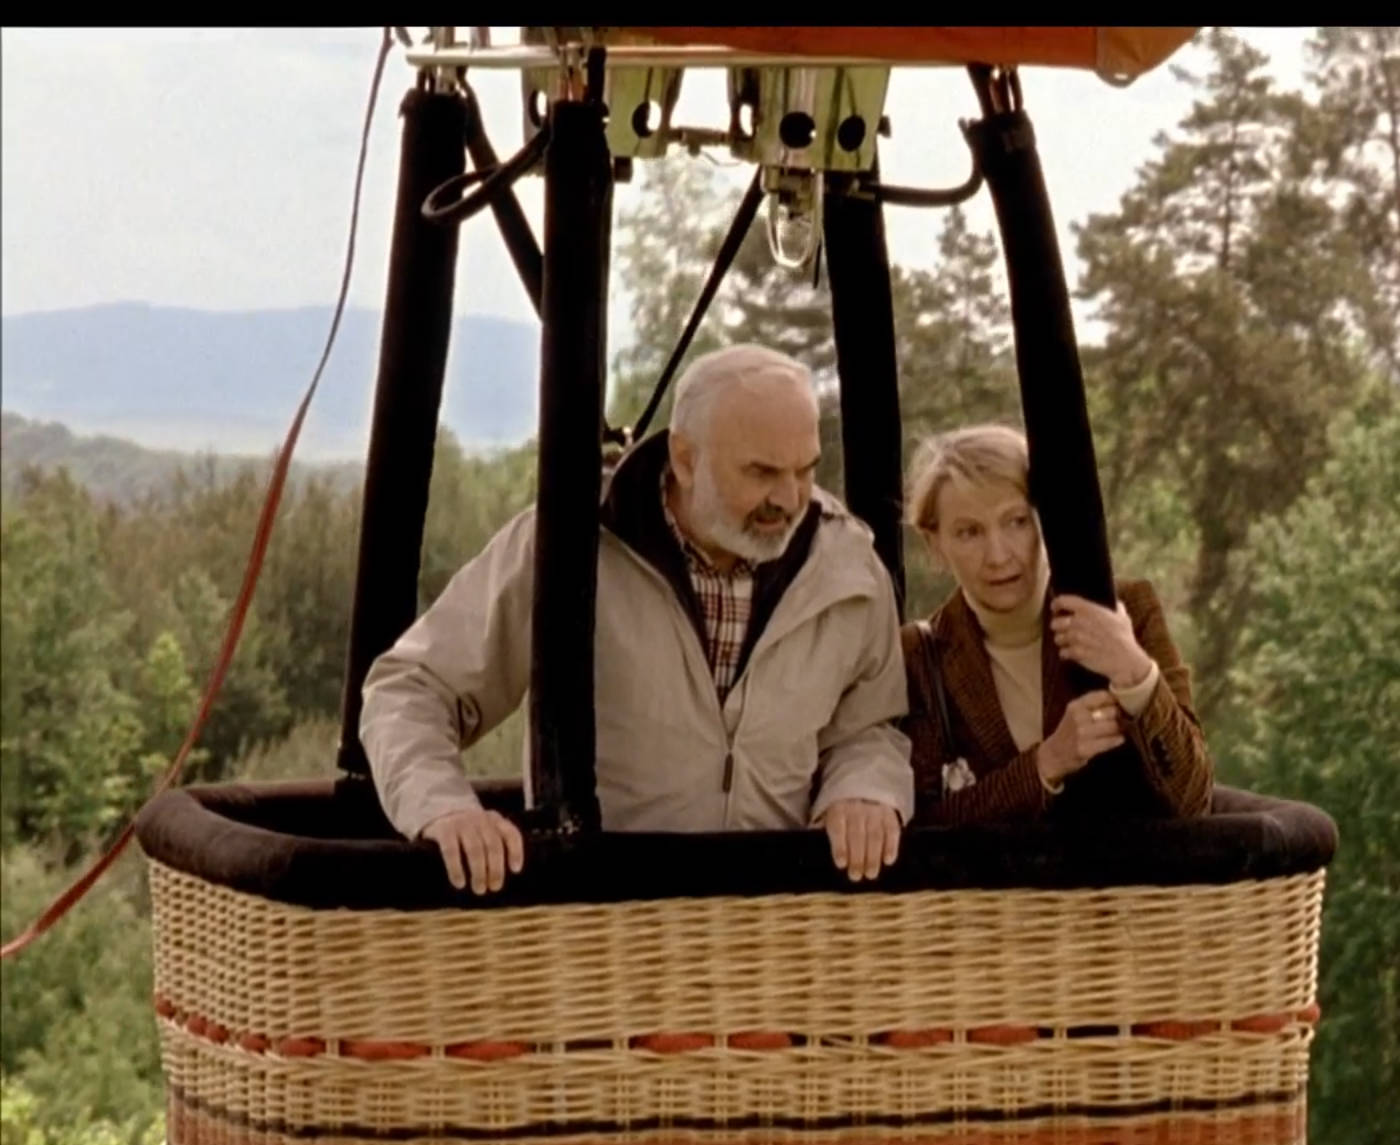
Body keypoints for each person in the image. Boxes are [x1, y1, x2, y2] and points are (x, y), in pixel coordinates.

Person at [359, 343, 912, 892]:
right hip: (606, 918)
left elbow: (870, 726)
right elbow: (410, 689)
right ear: (685, 460)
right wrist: (444, 809)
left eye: (805, 470)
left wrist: (863, 790)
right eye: (762, 472)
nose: (789, 498)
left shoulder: (848, 568)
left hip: (777, 926)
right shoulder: (566, 547)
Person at [899, 423, 1213, 824]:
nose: (998, 555)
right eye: (969, 532)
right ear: (935, 545)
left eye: (1016, 522)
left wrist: (1135, 672)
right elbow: (925, 828)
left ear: (1046, 520)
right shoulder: (921, 657)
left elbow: (1193, 799)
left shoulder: (1128, 609)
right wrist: (1046, 764)